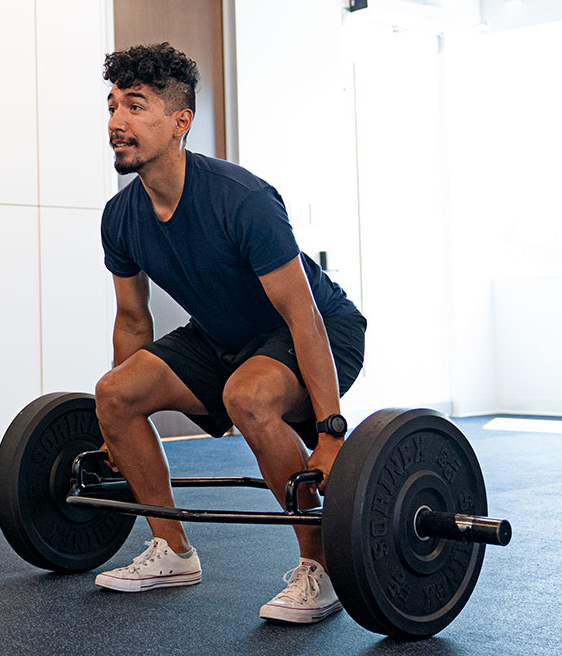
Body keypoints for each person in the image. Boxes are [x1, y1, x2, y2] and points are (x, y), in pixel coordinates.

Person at [93, 43, 367, 625]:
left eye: (136, 107)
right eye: (112, 105)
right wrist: (115, 436)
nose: (116, 122)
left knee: (249, 396)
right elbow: (132, 322)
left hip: (321, 330)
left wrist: (331, 431)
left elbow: (304, 318)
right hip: (222, 335)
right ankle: (172, 550)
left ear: (180, 122)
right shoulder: (120, 218)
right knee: (113, 395)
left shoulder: (242, 199)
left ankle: (319, 568)